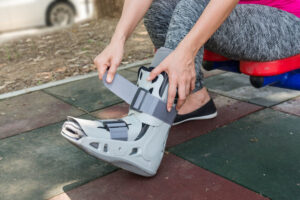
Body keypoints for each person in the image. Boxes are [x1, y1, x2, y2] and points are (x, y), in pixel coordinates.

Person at [62, 0, 300, 176]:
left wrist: (186, 52)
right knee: (161, 7)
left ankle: (144, 138)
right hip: (235, 17)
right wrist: (118, 39)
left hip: (287, 23)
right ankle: (193, 99)